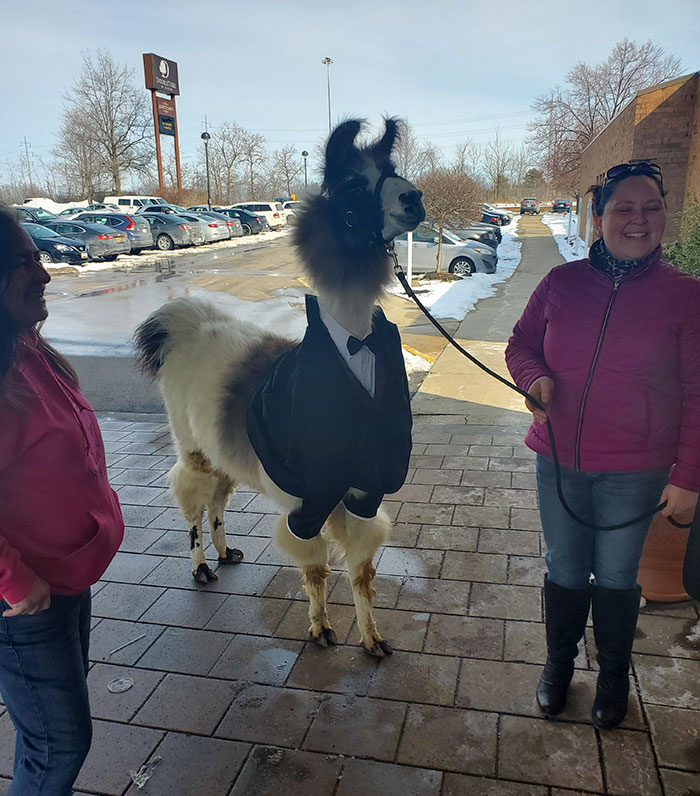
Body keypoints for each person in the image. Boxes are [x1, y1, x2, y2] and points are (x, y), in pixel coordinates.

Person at [505, 162, 700, 730]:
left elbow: (697, 391)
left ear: (665, 214)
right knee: (563, 567)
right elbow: (520, 343)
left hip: (636, 471)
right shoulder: (560, 284)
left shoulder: (687, 297)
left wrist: (688, 475)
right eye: (624, 208)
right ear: (599, 216)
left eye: (651, 208)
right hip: (558, 459)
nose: (638, 220)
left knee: (616, 577)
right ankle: (558, 666)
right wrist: (533, 376)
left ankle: (614, 674)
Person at [0, 206, 124, 794]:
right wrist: (16, 582)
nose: (45, 274)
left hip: (65, 578)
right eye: (23, 263)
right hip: (26, 601)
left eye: (38, 257)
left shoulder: (26, 350)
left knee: (50, 732)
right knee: (59, 743)